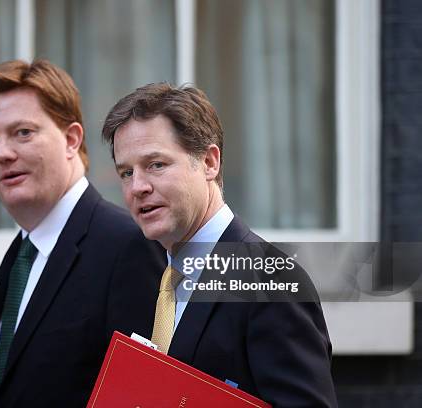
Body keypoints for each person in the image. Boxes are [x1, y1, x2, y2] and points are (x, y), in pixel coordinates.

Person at [102, 82, 338, 407]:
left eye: (156, 164)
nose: (138, 186)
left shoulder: (273, 281)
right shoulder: (153, 276)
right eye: (126, 172)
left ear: (210, 162)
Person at [0, 60, 165, 407]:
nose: (4, 153)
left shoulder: (127, 247)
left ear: (72, 139)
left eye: (23, 132)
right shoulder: (21, 256)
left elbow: (150, 397)